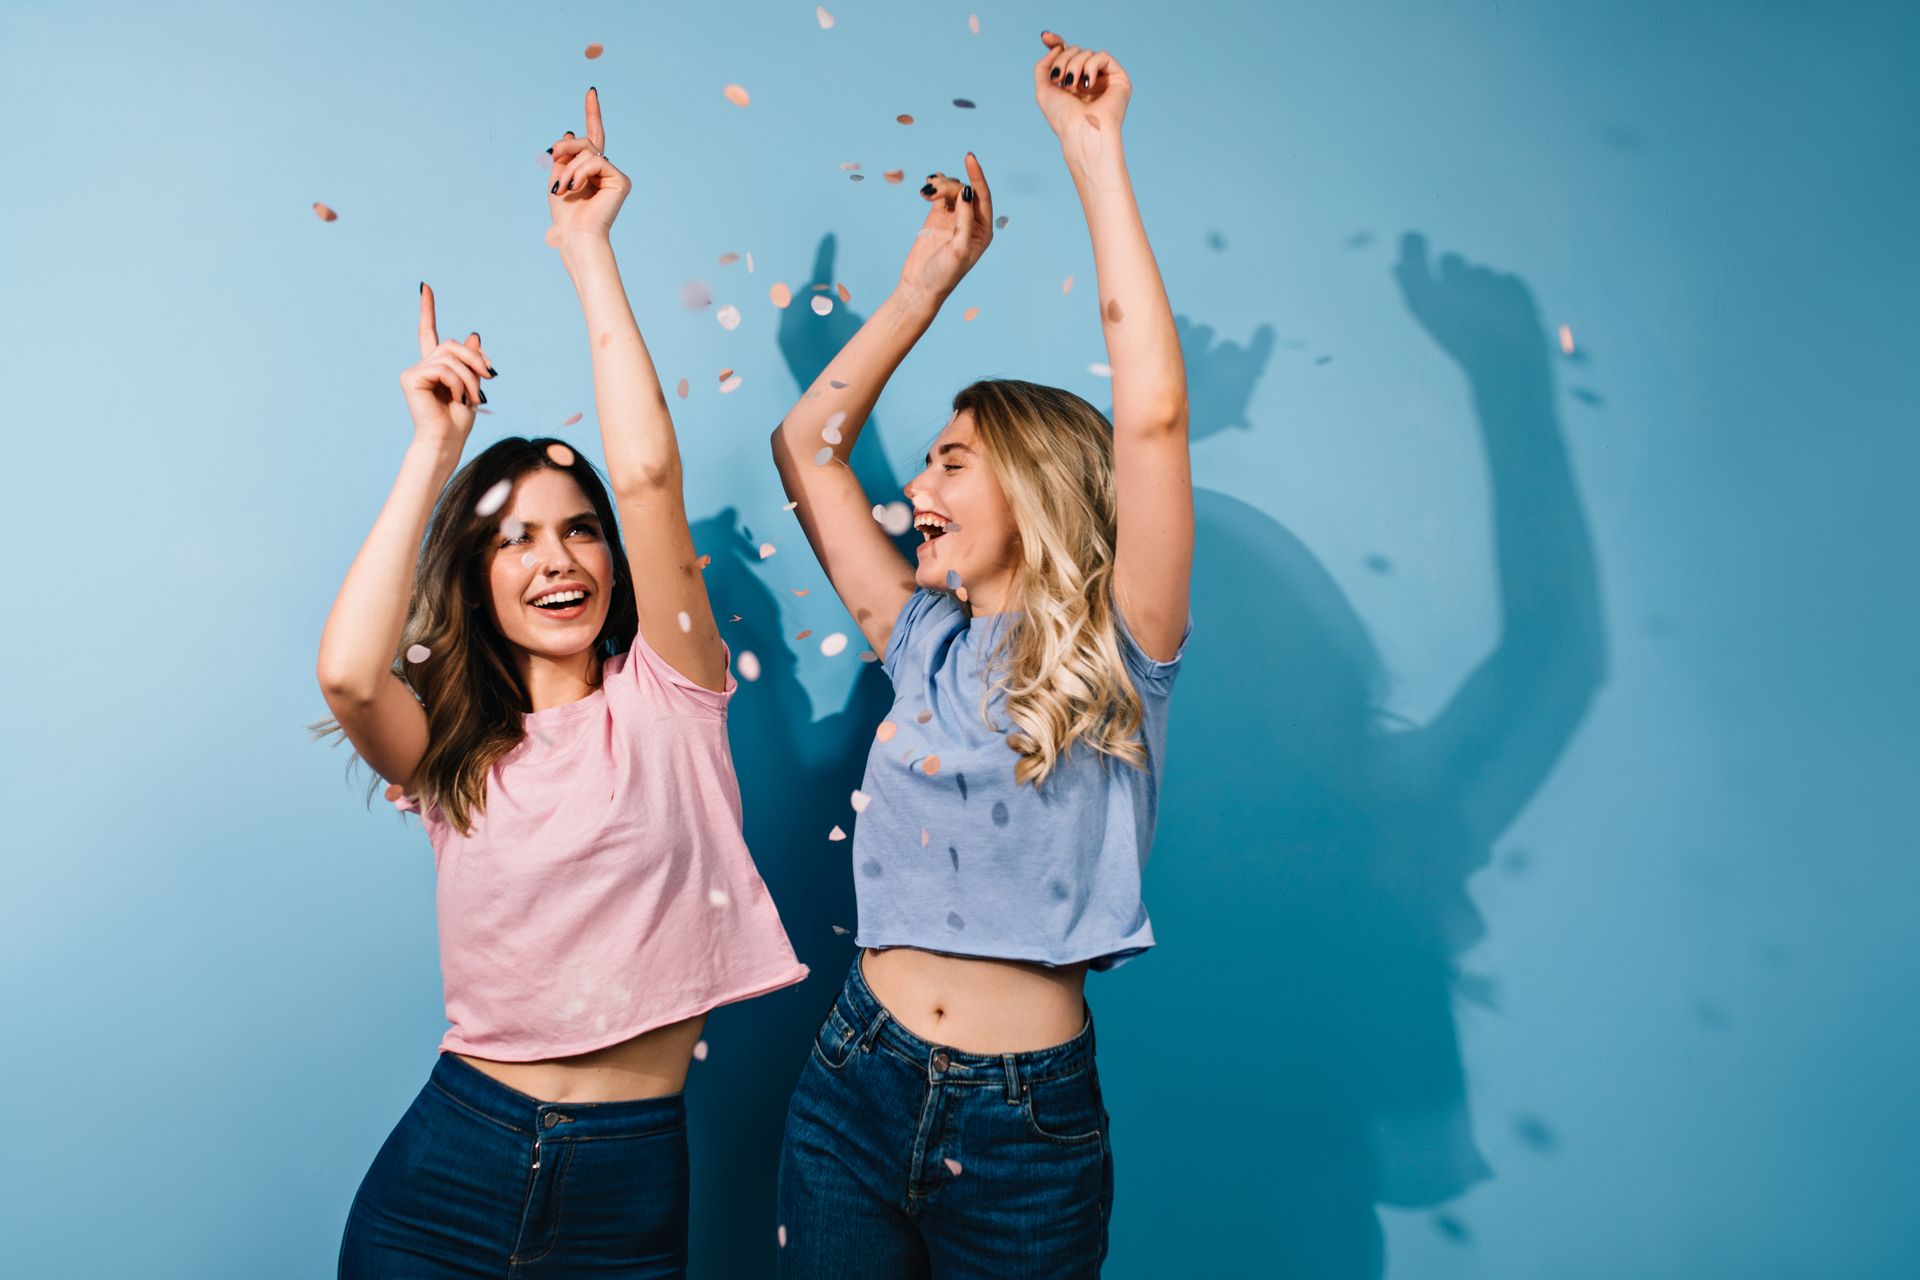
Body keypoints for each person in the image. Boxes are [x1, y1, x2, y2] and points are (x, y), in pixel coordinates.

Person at [317, 88, 806, 1278]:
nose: (557, 557)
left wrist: (588, 250)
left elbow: (646, 475)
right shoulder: (446, 745)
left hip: (629, 1177)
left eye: (579, 531)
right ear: (476, 576)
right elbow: (344, 672)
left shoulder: (672, 698)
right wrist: (433, 448)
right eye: (517, 538)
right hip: (448, 1162)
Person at [770, 32, 1192, 1278]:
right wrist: (927, 286)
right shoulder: (923, 637)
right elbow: (809, 450)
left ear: (1039, 481)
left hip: (1028, 1128)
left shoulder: (1127, 645)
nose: (921, 483)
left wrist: (1091, 152)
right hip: (853, 1080)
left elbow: (1154, 417)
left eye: (953, 458)